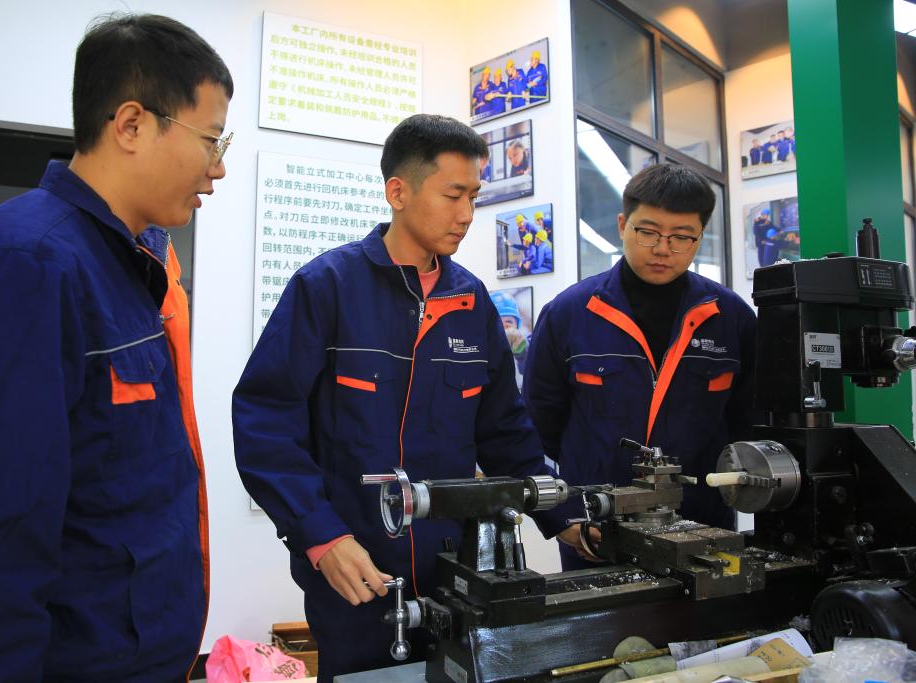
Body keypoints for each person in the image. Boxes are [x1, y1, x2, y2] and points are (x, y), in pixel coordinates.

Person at [0, 14, 232, 680]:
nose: (217, 168)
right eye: (210, 140)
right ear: (130, 125)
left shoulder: (133, 265)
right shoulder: (18, 265)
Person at [232, 114, 577, 681]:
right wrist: (321, 536)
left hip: (455, 573)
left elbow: (505, 433)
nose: (466, 214)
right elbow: (265, 423)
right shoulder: (327, 288)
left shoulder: (472, 302)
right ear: (398, 192)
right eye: (453, 195)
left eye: (474, 197)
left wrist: (565, 517)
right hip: (355, 573)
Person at [522, 163, 758, 571]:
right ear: (622, 225)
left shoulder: (731, 318)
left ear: (700, 237)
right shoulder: (569, 314)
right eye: (647, 232)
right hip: (596, 534)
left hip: (702, 531)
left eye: (681, 237)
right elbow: (535, 428)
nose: (663, 249)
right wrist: (562, 515)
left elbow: (748, 423)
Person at [490, 290, 531, 384]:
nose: (504, 327)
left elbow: (531, 369)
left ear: (517, 325)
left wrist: (522, 352)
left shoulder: (525, 340)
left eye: (509, 322)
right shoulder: (481, 347)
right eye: (498, 323)